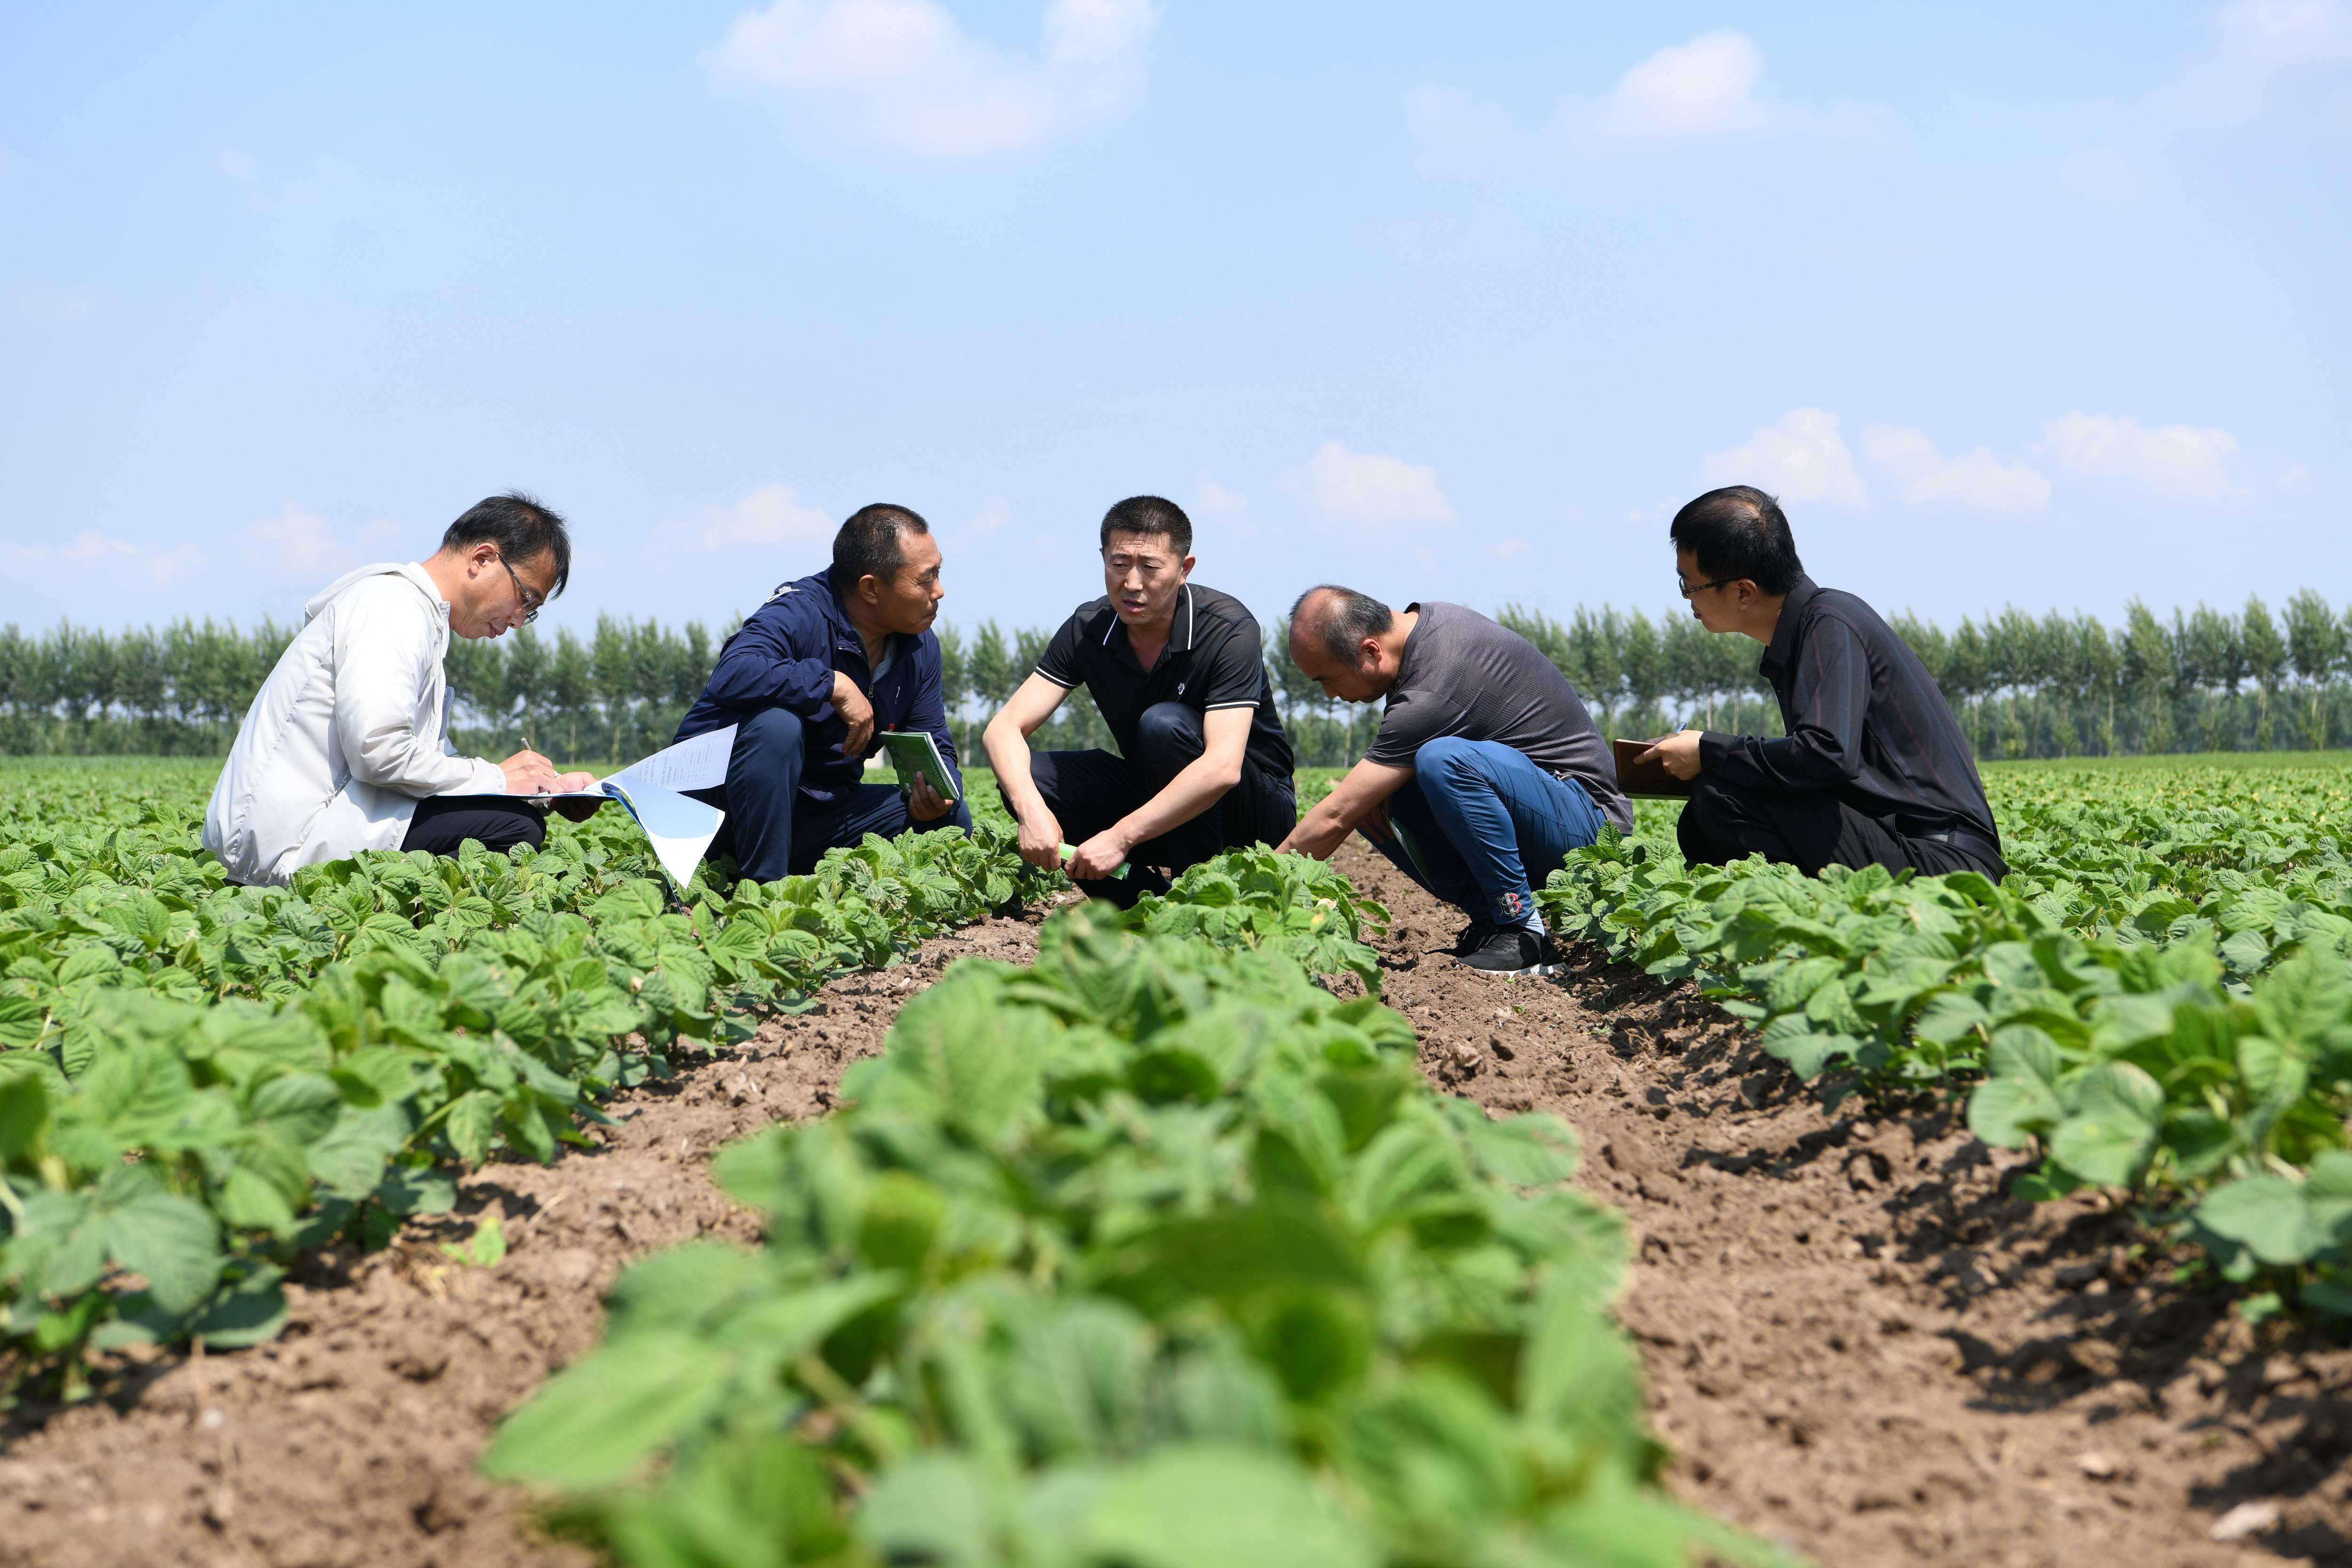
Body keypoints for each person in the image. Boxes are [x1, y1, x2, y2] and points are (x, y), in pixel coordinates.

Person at [204, 492, 592, 886]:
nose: (518, 621)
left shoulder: (420, 618)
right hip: (287, 846)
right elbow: (379, 752)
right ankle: (405, 938)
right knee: (515, 828)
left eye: (531, 610)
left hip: (316, 826)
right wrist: (498, 779)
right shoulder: (393, 608)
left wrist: (548, 789)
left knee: (515, 816)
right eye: (525, 598)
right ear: (482, 559)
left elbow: (430, 762)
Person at [1637, 485, 2007, 879]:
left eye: (1690, 585)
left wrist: (1710, 751)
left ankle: (1816, 931)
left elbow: (1826, 753)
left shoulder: (1829, 623)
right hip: (1909, 844)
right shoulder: (1809, 630)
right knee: (1704, 814)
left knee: (1721, 799)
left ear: (1744, 591)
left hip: (1945, 861)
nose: (1687, 599)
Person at [1279, 587, 1633, 973]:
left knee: (1437, 761)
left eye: (1327, 680)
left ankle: (1522, 931)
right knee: (1376, 797)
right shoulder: (1425, 628)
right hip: (1543, 812)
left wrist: (1263, 884)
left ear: (1370, 651)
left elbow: (1337, 814)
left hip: (1591, 829)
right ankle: (1492, 919)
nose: (1331, 695)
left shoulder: (1434, 684)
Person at [985, 495, 1295, 904]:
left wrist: (1120, 836)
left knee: (1164, 727)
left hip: (1253, 813)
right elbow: (1003, 728)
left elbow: (1222, 768)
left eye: (1150, 567)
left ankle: (1201, 901)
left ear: (1184, 569)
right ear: (1103, 559)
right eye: (1118, 564)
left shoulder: (1227, 629)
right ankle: (1141, 905)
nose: (1132, 583)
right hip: (1160, 803)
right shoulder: (1088, 627)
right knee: (1031, 779)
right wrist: (1031, 810)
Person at [674, 503, 969, 883]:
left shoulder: (920, 648)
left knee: (953, 817)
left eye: (938, 572)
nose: (939, 591)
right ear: (871, 589)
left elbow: (935, 743)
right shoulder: (801, 611)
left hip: (812, 815)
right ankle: (764, 892)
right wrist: (832, 683)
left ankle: (795, 870)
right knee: (777, 726)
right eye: (925, 579)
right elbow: (733, 672)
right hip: (719, 813)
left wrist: (941, 791)